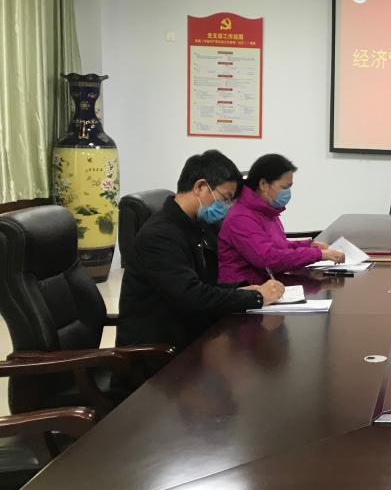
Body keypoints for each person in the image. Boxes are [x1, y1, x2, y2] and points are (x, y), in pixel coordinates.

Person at [118, 150, 285, 350]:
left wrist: (243, 290)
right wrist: (256, 297)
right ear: (200, 187)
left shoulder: (197, 226)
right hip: (159, 353)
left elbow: (205, 284)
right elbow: (191, 296)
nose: (227, 207)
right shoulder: (159, 236)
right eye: (225, 198)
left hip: (191, 336)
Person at [218, 154, 344, 285]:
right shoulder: (241, 217)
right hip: (245, 290)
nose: (288, 192)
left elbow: (278, 246)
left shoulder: (266, 211)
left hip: (268, 283)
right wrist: (319, 254)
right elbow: (268, 259)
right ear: (263, 184)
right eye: (285, 187)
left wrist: (309, 245)